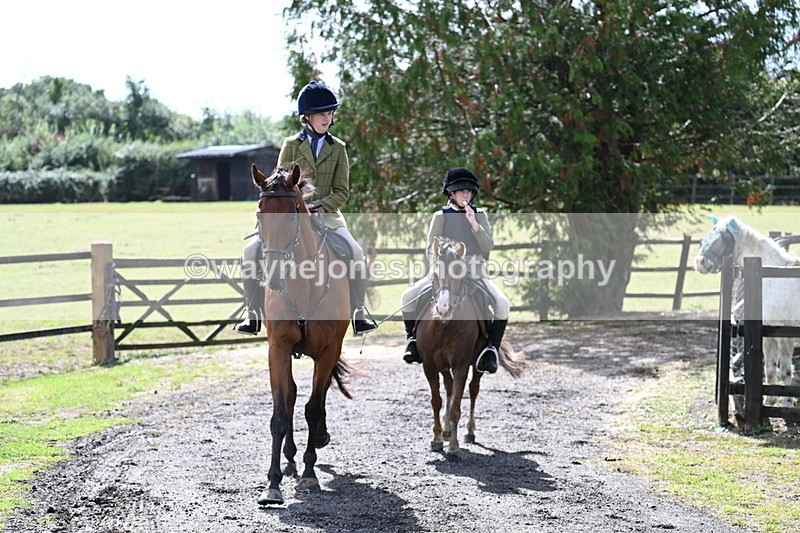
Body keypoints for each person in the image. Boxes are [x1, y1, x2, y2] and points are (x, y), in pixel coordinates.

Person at [234, 80, 378, 336]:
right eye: (322, 113)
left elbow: (342, 191)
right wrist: (297, 206)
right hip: (289, 215)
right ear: (307, 117)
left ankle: (358, 313)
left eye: (330, 113)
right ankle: (252, 313)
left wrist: (318, 206)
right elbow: (278, 183)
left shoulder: (339, 148)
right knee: (249, 252)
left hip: (328, 215)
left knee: (356, 253)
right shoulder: (290, 144)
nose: (327, 118)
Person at [399, 167, 510, 374]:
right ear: (452, 194)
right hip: (443, 271)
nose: (466, 194)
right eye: (461, 191)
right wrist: (438, 266)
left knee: (503, 304)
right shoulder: (440, 216)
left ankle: (491, 351)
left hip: (475, 272)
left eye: (469, 191)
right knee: (408, 296)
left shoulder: (480, 215)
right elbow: (429, 247)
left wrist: (474, 224)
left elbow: (488, 246)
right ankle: (412, 340)